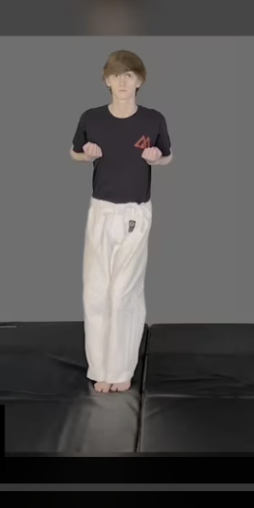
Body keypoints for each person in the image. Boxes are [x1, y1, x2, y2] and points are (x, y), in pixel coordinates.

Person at [70, 50, 173, 393]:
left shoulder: (153, 119)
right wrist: (85, 154)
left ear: (139, 80)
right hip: (100, 210)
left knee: (123, 293)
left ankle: (121, 369)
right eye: (116, 75)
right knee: (97, 292)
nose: (123, 82)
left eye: (129, 75)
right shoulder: (92, 117)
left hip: (134, 213)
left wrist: (156, 158)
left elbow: (167, 156)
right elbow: (74, 151)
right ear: (106, 80)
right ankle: (101, 368)